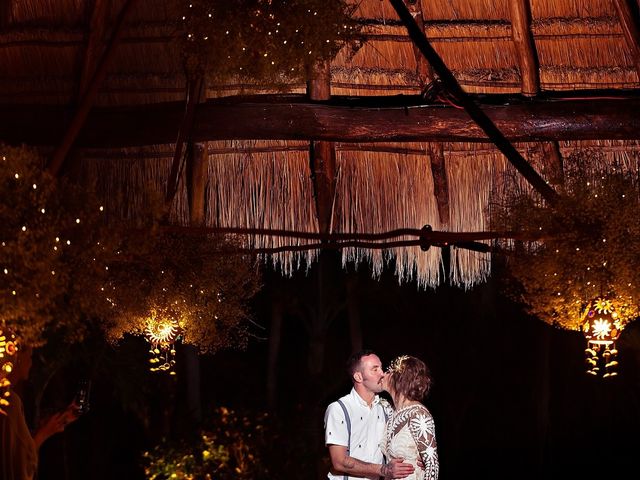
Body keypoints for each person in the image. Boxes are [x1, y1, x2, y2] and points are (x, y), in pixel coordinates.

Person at [324, 349, 415, 479]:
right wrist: (384, 470)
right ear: (358, 377)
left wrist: (413, 461)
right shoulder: (339, 409)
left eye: (381, 368)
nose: (382, 374)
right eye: (375, 369)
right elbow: (339, 461)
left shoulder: (386, 408)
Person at [0, 345, 79, 480]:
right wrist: (44, 433)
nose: (31, 363)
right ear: (16, 357)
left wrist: (53, 424)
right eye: (30, 357)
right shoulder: (9, 402)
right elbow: (21, 463)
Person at [381, 355, 439, 480]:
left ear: (399, 379)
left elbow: (432, 466)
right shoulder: (393, 412)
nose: (383, 374)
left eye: (388, 371)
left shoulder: (418, 414)